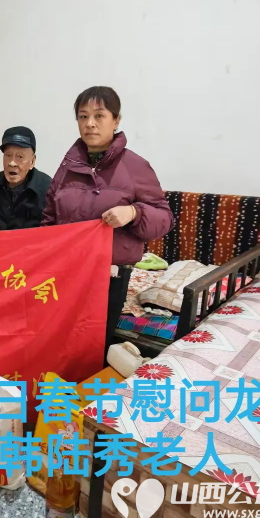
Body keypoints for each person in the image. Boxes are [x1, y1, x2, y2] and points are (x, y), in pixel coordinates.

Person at [41, 86, 174, 352]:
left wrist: (134, 213)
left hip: (109, 276)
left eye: (99, 115)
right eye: (83, 116)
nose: (90, 123)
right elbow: (49, 218)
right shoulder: (67, 167)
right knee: (58, 339)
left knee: (92, 344)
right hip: (68, 270)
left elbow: (165, 219)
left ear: (116, 120)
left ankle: (90, 380)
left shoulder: (135, 166)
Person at [0, 126, 52, 231]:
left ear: (32, 162)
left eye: (20, 157)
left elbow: (51, 230)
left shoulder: (47, 188)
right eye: (8, 155)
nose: (12, 163)